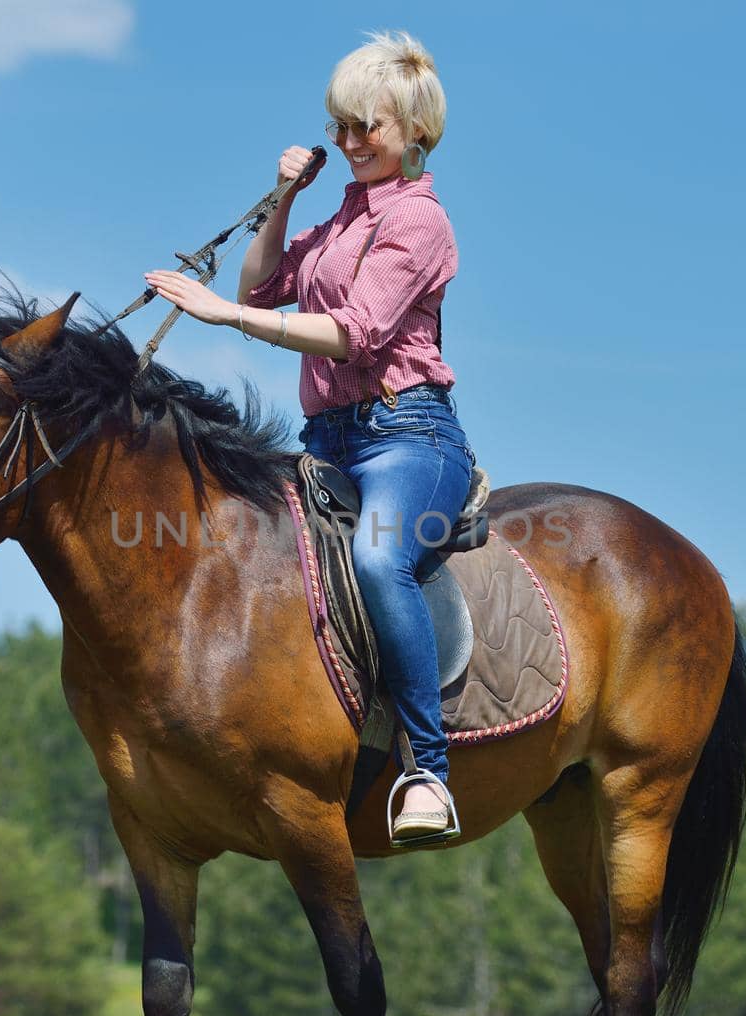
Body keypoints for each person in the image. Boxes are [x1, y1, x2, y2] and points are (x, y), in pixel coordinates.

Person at [144, 30, 475, 843]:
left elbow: (356, 332)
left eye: (369, 127)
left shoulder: (421, 221)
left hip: (409, 433)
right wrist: (285, 196)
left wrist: (231, 319)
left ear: (415, 134)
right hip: (325, 435)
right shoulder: (339, 220)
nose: (352, 142)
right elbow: (261, 279)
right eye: (342, 126)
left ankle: (427, 769)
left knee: (375, 556)